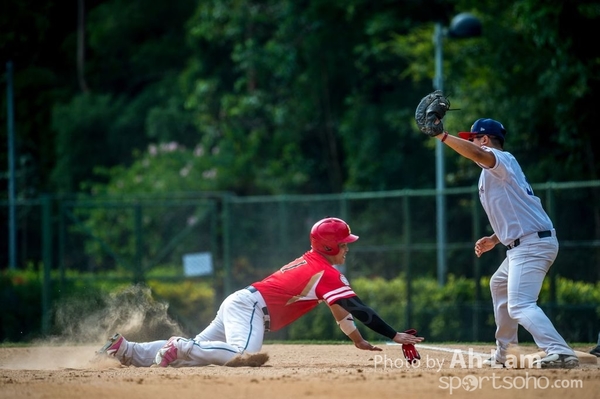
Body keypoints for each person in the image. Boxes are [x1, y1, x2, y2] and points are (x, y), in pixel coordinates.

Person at [97, 217, 424, 367]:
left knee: (199, 354)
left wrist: (357, 339)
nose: (347, 248)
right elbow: (358, 306)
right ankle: (179, 345)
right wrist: (393, 334)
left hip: (242, 302)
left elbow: (340, 308)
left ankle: (127, 349)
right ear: (329, 246)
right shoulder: (325, 272)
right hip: (251, 308)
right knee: (240, 355)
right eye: (343, 244)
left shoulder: (316, 264)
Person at [436, 118, 578, 369]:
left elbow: (479, 154)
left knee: (520, 304)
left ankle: (560, 351)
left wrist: (443, 136)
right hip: (524, 244)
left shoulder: (499, 159)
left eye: (473, 138)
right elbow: (515, 212)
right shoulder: (493, 173)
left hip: (532, 246)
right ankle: (507, 353)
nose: (470, 143)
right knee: (499, 284)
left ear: (485, 140)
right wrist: (494, 238)